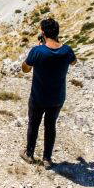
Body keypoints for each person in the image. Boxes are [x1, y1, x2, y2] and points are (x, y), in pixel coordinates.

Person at [21, 17, 76, 167]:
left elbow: (25, 69)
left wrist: (38, 48)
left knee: (34, 124)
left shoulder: (37, 51)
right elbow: (73, 62)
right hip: (57, 97)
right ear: (57, 33)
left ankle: (29, 154)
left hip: (38, 96)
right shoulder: (67, 50)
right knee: (50, 126)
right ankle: (47, 159)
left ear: (43, 33)